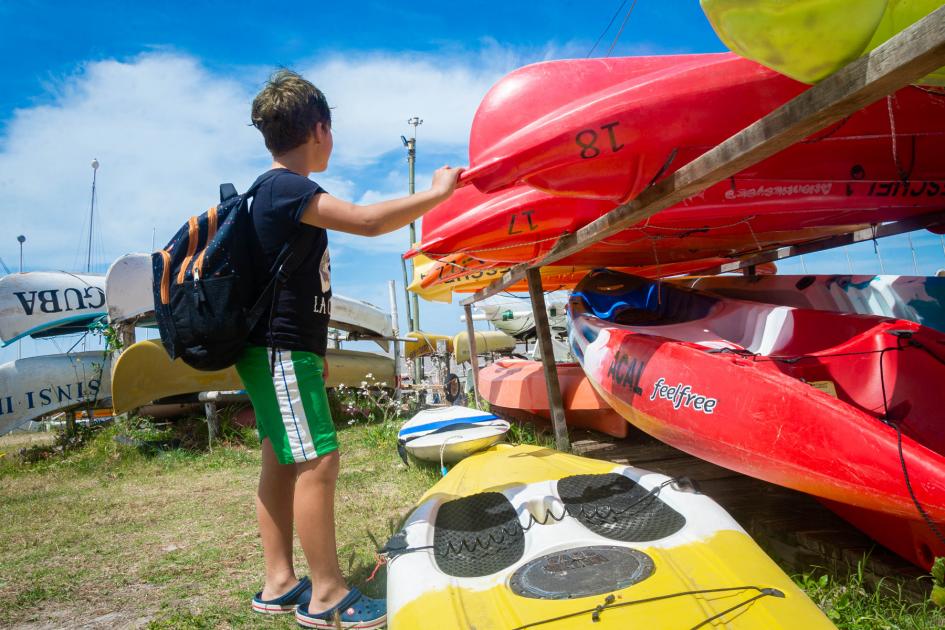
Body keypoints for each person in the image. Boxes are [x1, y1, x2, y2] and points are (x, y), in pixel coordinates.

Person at [239, 68, 462, 628]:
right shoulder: (287, 187)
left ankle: (278, 583)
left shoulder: (261, 193)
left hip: (267, 349)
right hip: (280, 348)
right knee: (319, 459)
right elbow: (365, 221)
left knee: (281, 459)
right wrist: (435, 195)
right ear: (319, 129)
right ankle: (327, 596)